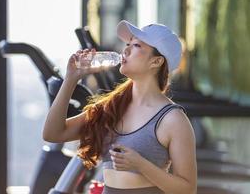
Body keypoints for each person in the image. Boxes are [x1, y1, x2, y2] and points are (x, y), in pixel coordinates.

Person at [43, 20, 197, 194]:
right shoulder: (112, 106)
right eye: (127, 44)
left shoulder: (173, 120)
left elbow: (187, 189)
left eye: (137, 45)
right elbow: (52, 133)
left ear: (156, 61)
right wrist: (71, 79)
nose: (126, 50)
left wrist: (140, 164)